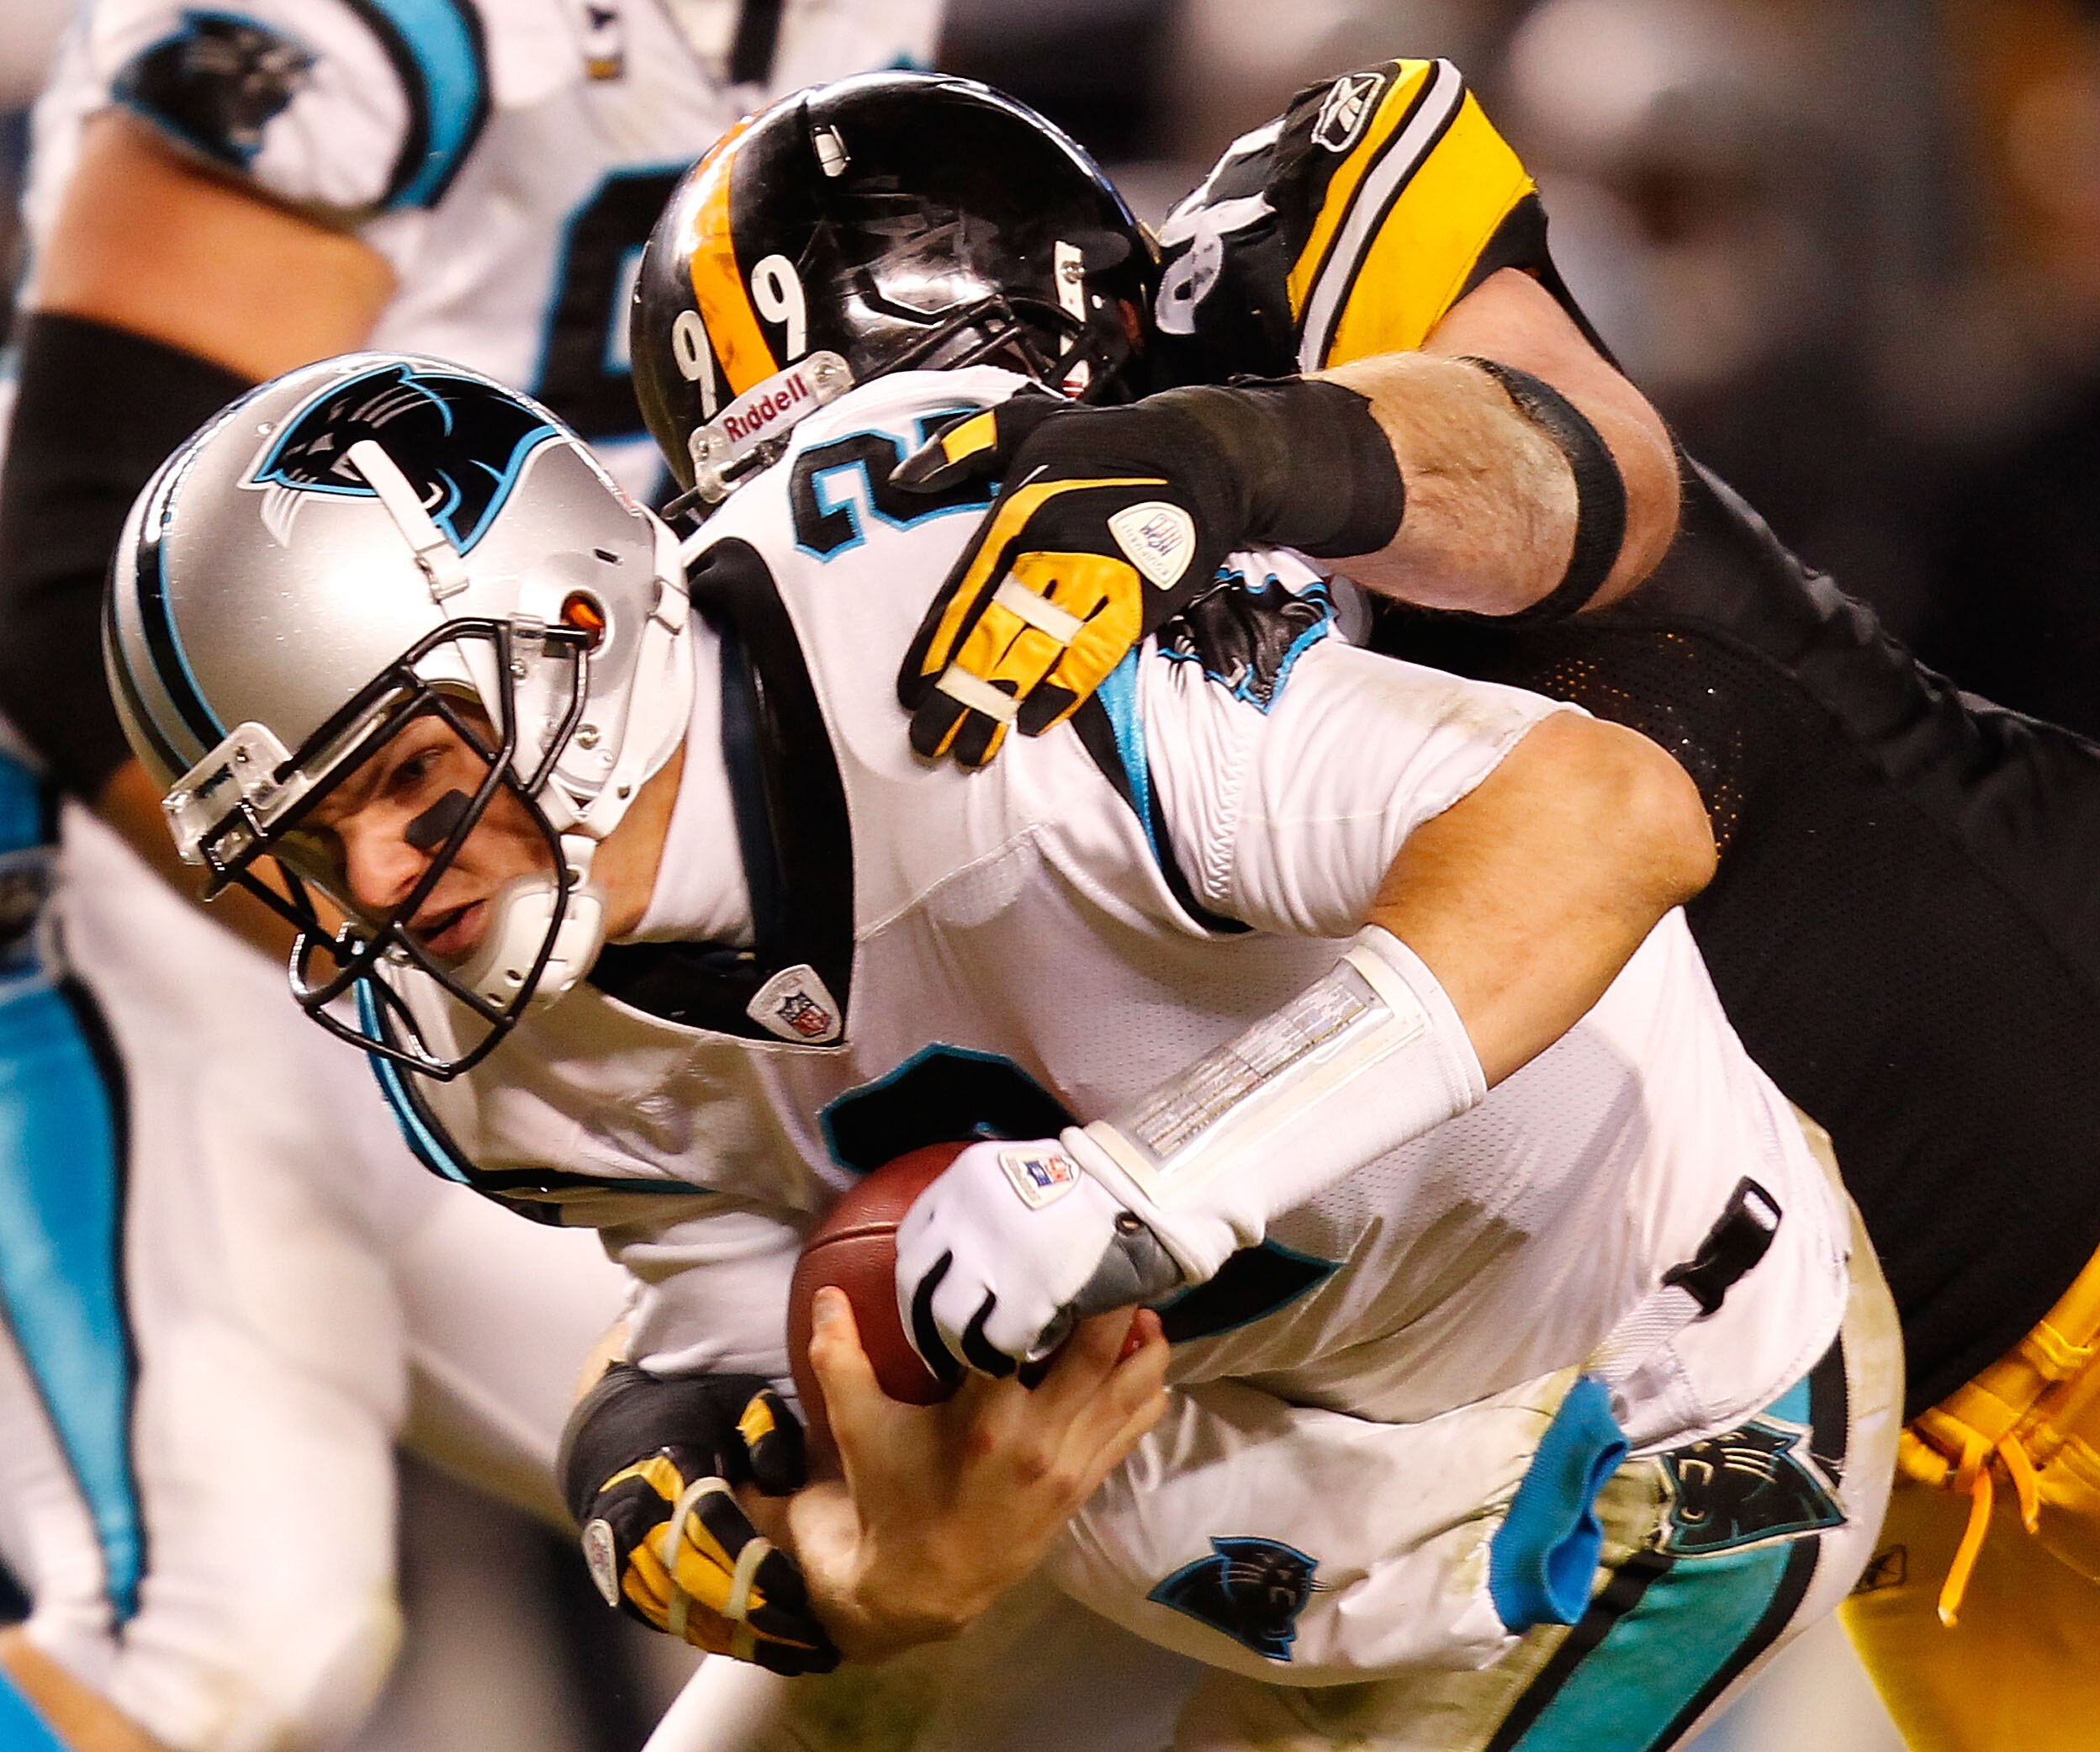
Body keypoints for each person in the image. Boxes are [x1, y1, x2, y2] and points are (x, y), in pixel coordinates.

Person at [100, 74, 1904, 1752]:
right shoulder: (495, 1037)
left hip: (1634, 1395)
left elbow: (1604, 816)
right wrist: (807, 1553)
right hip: (1167, 1466)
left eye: (411, 780)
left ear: (573, 622)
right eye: (306, 846)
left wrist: (1152, 1180)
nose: (381, 887)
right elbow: (727, 1326)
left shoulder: (940, 596)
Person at [843, 52, 2100, 1752]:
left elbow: (1584, 477)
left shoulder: (1267, 313)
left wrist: (1228, 456)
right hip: (1935, 1495)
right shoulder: (938, 814)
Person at [0, 2, 949, 1747]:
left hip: (532, 875)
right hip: (186, 848)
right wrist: (504, 970)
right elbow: (66, 590)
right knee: (228, 1640)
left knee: (907, 1499)